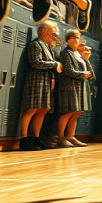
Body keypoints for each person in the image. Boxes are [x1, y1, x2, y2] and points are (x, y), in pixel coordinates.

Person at [20, 21, 62, 151]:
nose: (54, 35)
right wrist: (55, 65)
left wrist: (53, 78)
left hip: (46, 81)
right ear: (43, 31)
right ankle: (24, 139)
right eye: (52, 32)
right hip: (36, 80)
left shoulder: (48, 48)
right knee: (31, 109)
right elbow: (35, 62)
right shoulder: (36, 44)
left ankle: (35, 138)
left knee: (42, 110)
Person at [57, 29, 93, 148]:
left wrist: (87, 60)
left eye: (78, 37)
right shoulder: (66, 53)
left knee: (77, 112)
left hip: (80, 87)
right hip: (69, 86)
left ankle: (70, 136)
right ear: (70, 39)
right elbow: (68, 70)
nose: (78, 40)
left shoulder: (78, 54)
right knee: (68, 112)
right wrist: (82, 74)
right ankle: (61, 138)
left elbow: (91, 75)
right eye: (76, 37)